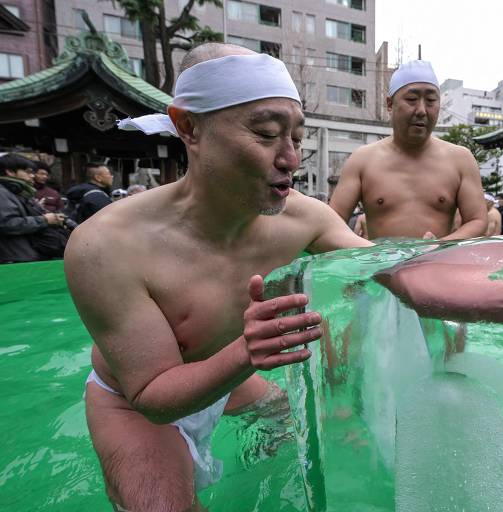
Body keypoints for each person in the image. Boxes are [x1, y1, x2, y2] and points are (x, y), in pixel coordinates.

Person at [69, 44, 372, 511]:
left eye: (296, 137)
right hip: (135, 402)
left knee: (296, 433)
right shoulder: (105, 245)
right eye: (267, 134)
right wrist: (248, 351)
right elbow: (152, 396)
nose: (291, 158)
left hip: (230, 378)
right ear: (189, 127)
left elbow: (395, 271)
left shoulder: (304, 219)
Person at [329, 60, 487, 240]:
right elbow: (333, 222)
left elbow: (478, 221)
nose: (421, 110)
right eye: (411, 100)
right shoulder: (362, 160)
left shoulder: (461, 159)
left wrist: (441, 246)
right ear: (390, 104)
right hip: (381, 266)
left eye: (431, 101)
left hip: (437, 265)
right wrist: (365, 252)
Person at [0, 153, 67, 263]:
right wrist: (45, 220)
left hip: (25, 255)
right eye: (28, 172)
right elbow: (6, 223)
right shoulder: (3, 192)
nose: (32, 176)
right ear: (10, 172)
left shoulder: (19, 191)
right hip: (13, 259)